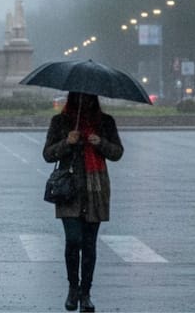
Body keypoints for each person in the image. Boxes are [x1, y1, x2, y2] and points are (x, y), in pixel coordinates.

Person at [43, 92, 123, 313]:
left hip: (96, 189)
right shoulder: (60, 122)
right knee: (73, 240)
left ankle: (86, 293)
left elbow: (117, 153)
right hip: (69, 190)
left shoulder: (105, 122)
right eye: (79, 98)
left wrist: (101, 143)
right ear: (72, 99)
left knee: (89, 245)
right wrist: (67, 142)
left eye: (87, 98)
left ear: (94, 99)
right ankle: (73, 289)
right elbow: (48, 154)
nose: (83, 102)